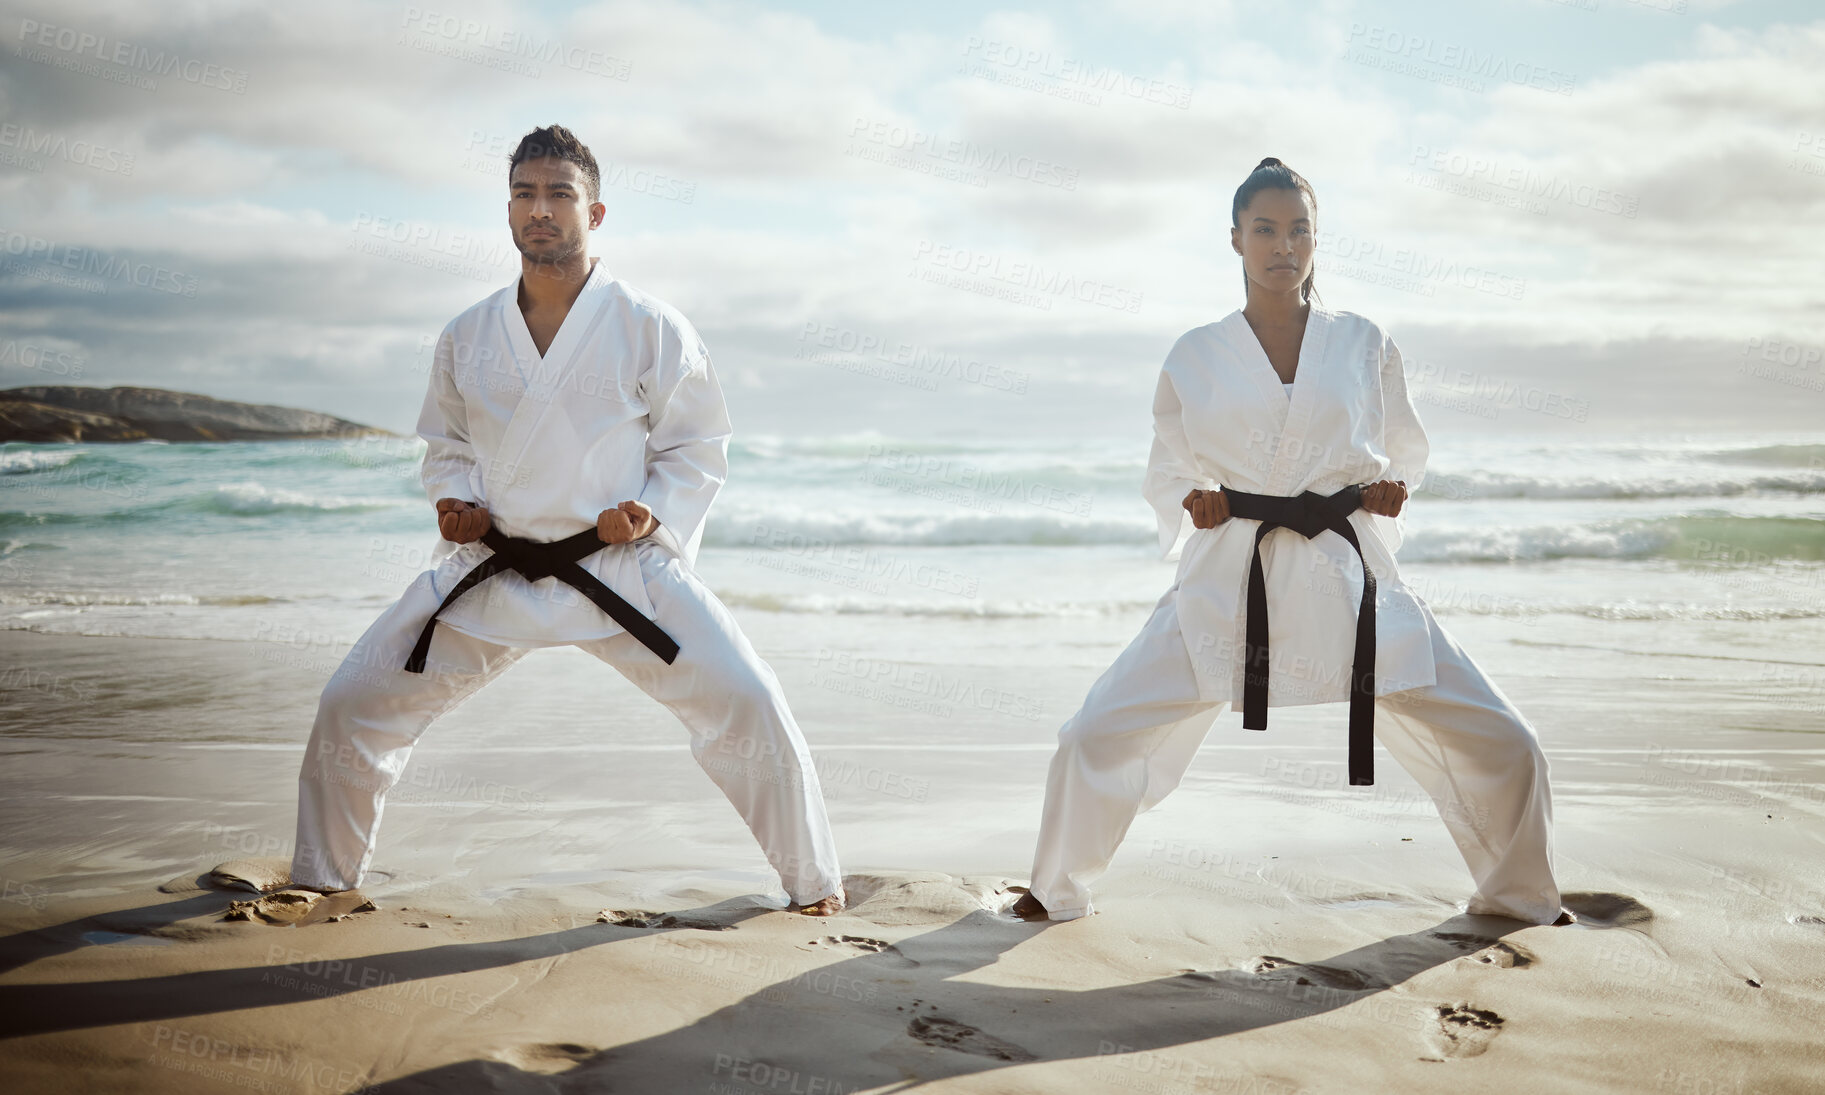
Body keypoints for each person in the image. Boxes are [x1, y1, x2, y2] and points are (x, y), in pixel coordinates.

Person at [288, 125, 845, 916]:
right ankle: (321, 875)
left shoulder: (649, 325)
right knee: (352, 703)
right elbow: (445, 444)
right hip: (494, 568)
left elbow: (696, 445)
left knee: (750, 703)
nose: (539, 210)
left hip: (618, 568)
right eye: (524, 194)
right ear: (507, 210)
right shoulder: (467, 334)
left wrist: (652, 513)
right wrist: (453, 503)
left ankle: (815, 886)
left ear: (597, 211)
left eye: (558, 194)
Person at [1011, 157, 1572, 927]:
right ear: (1234, 239)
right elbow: (1169, 459)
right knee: (1092, 732)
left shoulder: (1363, 342)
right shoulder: (1195, 352)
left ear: (1317, 240)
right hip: (1231, 579)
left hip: (1348, 577)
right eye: (1265, 229)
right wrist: (1192, 500)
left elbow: (1402, 447)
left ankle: (1518, 891)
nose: (1284, 244)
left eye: (1299, 229)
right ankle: (1053, 886)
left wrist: (1392, 490)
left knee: (1508, 740)